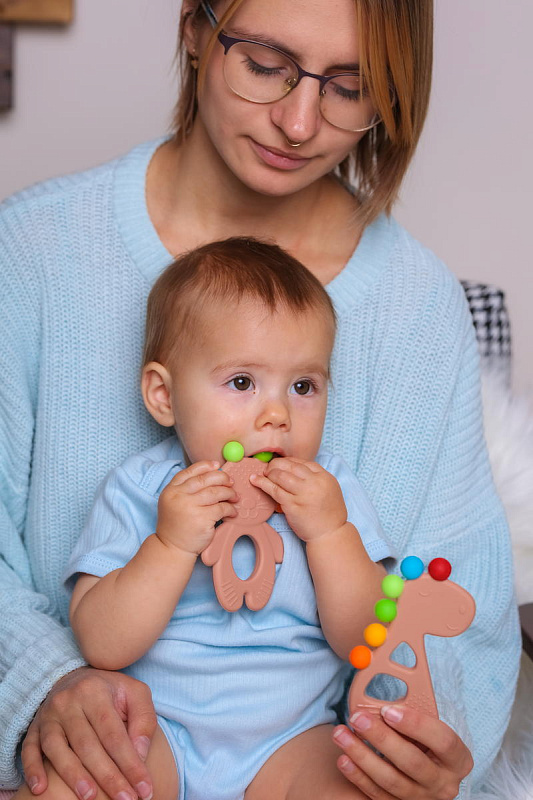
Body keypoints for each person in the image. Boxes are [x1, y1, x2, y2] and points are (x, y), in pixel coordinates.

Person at [0, 0, 519, 798]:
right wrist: (44, 684)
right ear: (194, 30)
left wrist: (413, 731)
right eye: (266, 65)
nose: (299, 123)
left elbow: (456, 615)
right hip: (137, 743)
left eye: (350, 86)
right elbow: (88, 623)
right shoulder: (28, 252)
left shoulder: (418, 307)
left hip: (299, 748)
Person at [49, 237, 389, 800]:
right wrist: (169, 544)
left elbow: (365, 639)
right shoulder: (142, 489)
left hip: (293, 739)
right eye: (242, 382)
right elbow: (101, 644)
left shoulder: (332, 493)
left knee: (355, 785)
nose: (277, 414)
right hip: (156, 732)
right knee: (79, 784)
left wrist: (331, 535)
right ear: (164, 396)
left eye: (303, 386)